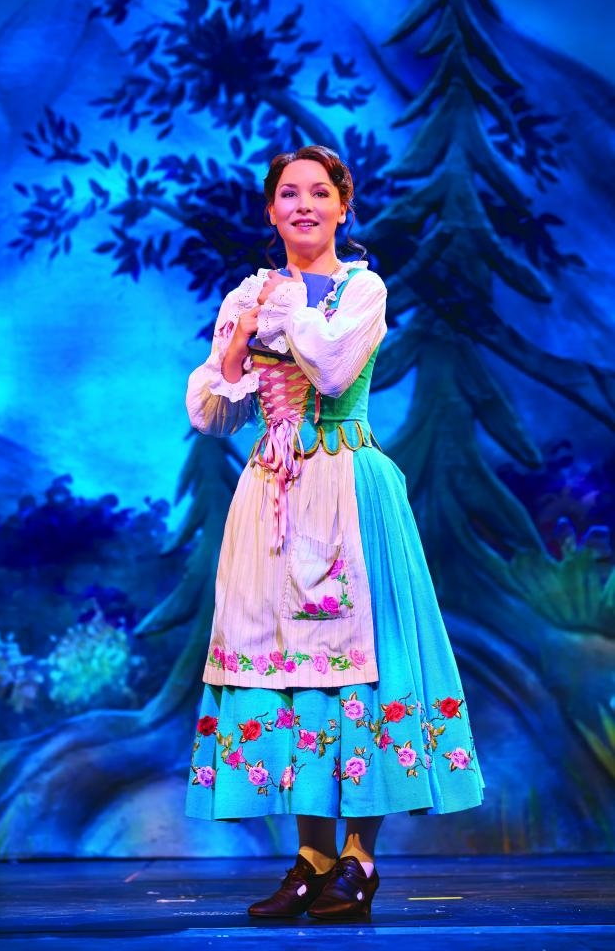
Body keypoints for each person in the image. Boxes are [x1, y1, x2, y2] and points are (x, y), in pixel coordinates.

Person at [185, 144, 484, 921]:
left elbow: (329, 371)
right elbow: (214, 413)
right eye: (290, 194)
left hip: (347, 485)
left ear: (343, 207)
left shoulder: (362, 288)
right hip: (274, 492)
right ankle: (312, 859)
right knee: (289, 667)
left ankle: (359, 859)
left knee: (358, 663)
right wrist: (234, 346)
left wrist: (285, 310)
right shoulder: (250, 293)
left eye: (320, 193)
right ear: (270, 209)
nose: (305, 206)